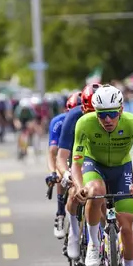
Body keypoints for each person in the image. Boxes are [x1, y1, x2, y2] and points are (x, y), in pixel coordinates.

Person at [70, 85, 133, 266]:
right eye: (101, 115)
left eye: (112, 114)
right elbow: (76, 163)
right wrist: (78, 187)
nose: (107, 120)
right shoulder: (84, 124)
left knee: (126, 226)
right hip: (94, 165)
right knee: (95, 192)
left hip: (122, 169)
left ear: (121, 110)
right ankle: (94, 244)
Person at [57, 83, 101, 259]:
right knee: (75, 191)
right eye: (90, 112)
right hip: (76, 157)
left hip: (98, 157)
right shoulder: (74, 117)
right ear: (83, 108)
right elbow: (61, 156)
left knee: (103, 196)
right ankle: (74, 234)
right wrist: (66, 174)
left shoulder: (110, 117)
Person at [46, 92, 81, 239]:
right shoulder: (58, 122)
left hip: (81, 154)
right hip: (65, 153)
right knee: (61, 176)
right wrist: (53, 172)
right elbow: (53, 153)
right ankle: (60, 214)